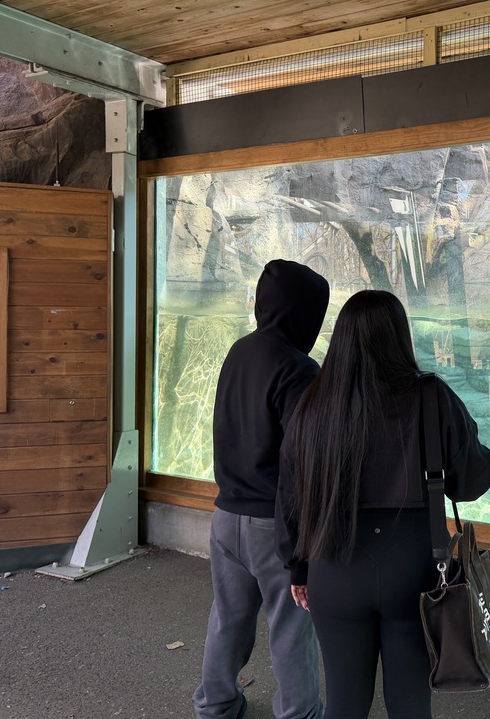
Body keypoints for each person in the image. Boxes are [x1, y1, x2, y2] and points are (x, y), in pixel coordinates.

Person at [276, 289, 490, 719]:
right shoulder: (433, 396)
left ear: (341, 339)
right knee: (412, 706)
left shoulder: (312, 405)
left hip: (333, 566)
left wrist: (298, 568)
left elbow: (289, 498)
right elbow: (470, 483)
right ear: (401, 337)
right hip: (414, 569)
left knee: (343, 704)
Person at [193, 259, 329, 719]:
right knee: (292, 624)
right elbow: (300, 466)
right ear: (304, 311)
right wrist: (302, 555)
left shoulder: (239, 351)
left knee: (228, 617)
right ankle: (300, 713)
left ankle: (215, 705)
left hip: (225, 516)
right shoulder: (299, 369)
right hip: (272, 524)